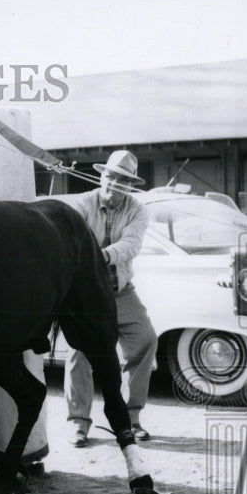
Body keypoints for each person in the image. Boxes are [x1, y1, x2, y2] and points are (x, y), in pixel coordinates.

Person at [65, 150, 158, 446]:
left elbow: (131, 245)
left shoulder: (138, 210)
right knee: (79, 351)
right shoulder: (82, 204)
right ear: (101, 176)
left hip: (119, 290)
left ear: (130, 186)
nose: (113, 183)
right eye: (109, 176)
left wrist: (99, 256)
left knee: (145, 339)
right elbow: (71, 242)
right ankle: (79, 423)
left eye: (121, 179)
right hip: (85, 294)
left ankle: (131, 417)